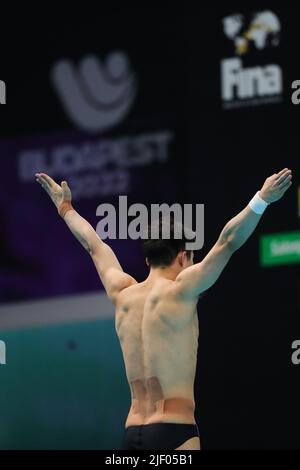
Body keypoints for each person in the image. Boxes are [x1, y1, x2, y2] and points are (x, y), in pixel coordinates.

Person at [35, 168, 292, 450]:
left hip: (132, 433)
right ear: (183, 257)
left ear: (147, 261)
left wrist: (66, 209)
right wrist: (262, 199)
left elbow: (93, 245)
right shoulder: (182, 290)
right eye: (193, 260)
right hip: (175, 431)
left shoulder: (122, 293)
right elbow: (228, 241)